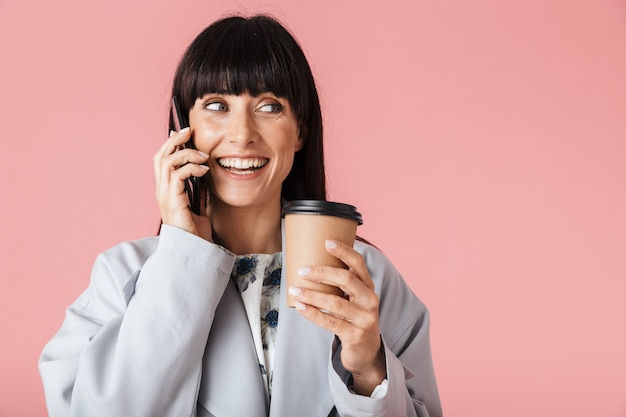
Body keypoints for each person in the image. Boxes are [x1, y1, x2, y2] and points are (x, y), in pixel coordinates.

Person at [39, 14, 442, 417]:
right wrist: (181, 259)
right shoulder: (122, 273)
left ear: (299, 132)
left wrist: (370, 367)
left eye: (269, 106)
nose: (242, 133)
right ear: (185, 126)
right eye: (216, 105)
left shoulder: (366, 279)